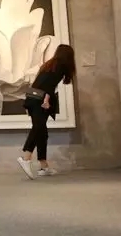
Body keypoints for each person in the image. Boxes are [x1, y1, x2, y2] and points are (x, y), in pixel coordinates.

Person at [18, 44, 76, 179]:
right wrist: (46, 99)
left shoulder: (50, 64)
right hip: (40, 99)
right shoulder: (60, 66)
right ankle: (26, 158)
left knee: (41, 131)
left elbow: (42, 82)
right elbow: (49, 85)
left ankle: (43, 166)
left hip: (32, 97)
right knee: (39, 128)